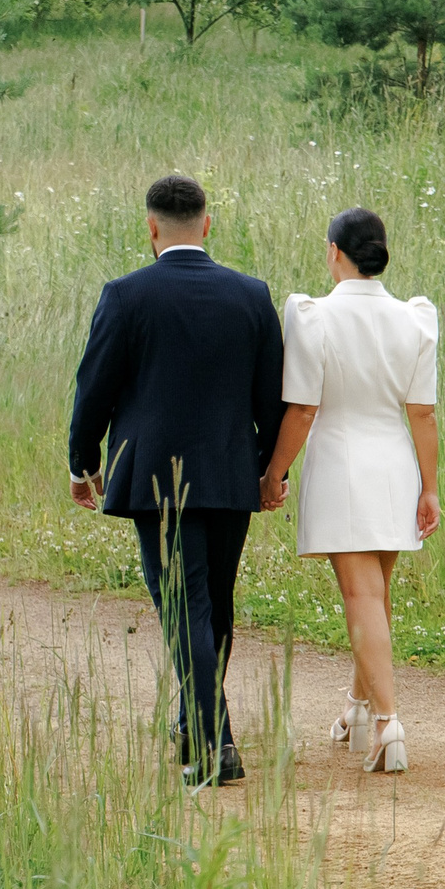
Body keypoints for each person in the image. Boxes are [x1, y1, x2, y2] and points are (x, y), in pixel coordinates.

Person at [67, 173, 286, 786]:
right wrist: (272, 469)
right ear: (207, 224)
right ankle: (201, 726)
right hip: (230, 473)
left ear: (152, 227)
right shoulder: (251, 294)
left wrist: (83, 462)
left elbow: (96, 388)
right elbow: (273, 397)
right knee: (214, 605)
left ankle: (213, 744)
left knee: (183, 603)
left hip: (155, 479)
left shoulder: (125, 295)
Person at [259, 207, 440, 775]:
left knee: (362, 597)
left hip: (341, 462)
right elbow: (424, 412)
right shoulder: (415, 319)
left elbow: (305, 408)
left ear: (334, 251)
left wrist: (274, 473)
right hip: (395, 463)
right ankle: (358, 708)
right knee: (378, 594)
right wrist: (430, 488)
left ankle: (388, 723)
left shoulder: (312, 317)